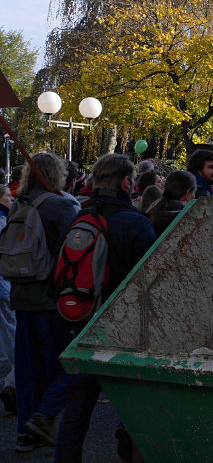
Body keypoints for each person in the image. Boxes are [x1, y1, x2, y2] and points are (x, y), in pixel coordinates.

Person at [54, 153, 156, 463]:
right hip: (125, 329)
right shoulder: (137, 223)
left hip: (82, 322)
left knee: (77, 410)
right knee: (138, 411)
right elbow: (150, 280)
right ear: (127, 183)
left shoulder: (78, 218)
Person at [9, 153, 78, 452]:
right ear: (57, 174)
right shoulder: (61, 206)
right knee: (61, 367)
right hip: (52, 300)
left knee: (27, 370)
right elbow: (74, 251)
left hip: (21, 295)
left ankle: (27, 431)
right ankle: (43, 417)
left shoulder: (18, 204)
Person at [0, 184, 16, 416]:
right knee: (13, 333)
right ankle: (15, 381)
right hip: (3, 283)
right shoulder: (3, 222)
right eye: (8, 196)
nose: (11, 200)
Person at [150, 171, 196, 237]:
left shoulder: (153, 210)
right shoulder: (187, 219)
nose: (194, 196)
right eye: (194, 192)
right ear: (187, 193)